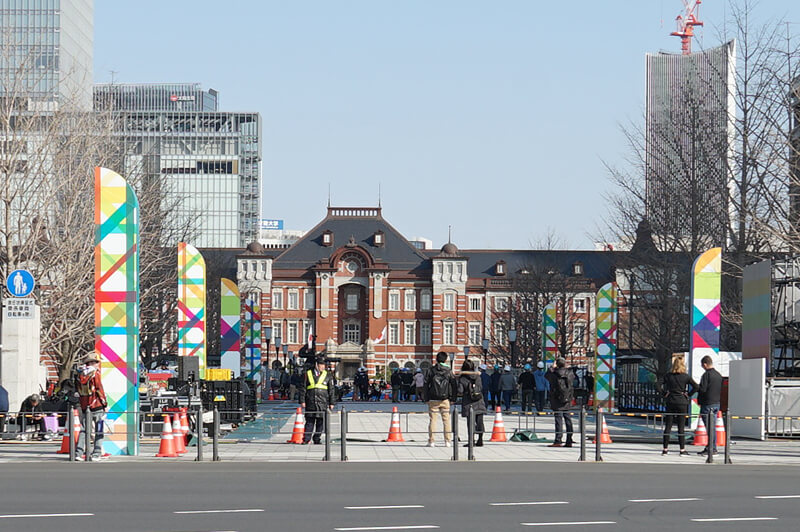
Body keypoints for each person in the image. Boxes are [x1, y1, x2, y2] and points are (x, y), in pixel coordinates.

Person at [659, 353, 697, 456]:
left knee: (668, 426)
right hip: (681, 402)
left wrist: (664, 393)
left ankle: (665, 449)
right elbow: (696, 386)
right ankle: (682, 449)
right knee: (681, 427)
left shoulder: (668, 376)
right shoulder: (685, 377)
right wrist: (688, 394)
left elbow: (658, 385)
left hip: (670, 400)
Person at [75, 354, 108, 459]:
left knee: (84, 430)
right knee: (99, 430)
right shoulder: (95, 373)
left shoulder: (80, 374)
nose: (98, 364)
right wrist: (104, 404)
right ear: (92, 363)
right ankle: (96, 453)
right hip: (97, 405)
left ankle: (78, 453)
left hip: (85, 405)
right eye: (97, 362)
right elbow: (99, 389)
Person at [298, 356, 335, 444]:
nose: (323, 367)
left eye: (324, 365)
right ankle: (306, 439)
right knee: (309, 421)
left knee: (320, 422)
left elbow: (331, 390)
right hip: (310, 401)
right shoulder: (308, 374)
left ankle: (317, 438)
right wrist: (302, 401)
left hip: (322, 402)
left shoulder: (328, 375)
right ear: (316, 365)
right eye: (321, 365)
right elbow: (302, 388)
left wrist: (332, 402)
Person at [425, 352, 456, 447]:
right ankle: (447, 441)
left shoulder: (431, 370)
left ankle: (431, 441)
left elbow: (426, 384)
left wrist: (426, 398)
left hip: (433, 398)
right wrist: (453, 398)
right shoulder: (449, 371)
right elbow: (454, 385)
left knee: (433, 420)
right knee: (446, 420)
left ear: (436, 359)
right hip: (445, 398)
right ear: (446, 359)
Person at [697, 355, 723, 456]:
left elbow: (702, 389)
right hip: (716, 403)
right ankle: (711, 447)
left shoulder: (706, 375)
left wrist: (698, 394)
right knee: (712, 427)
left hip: (707, 404)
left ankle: (712, 448)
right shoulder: (718, 375)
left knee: (709, 428)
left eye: (702, 365)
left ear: (705, 364)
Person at [545, 357, 574, 447]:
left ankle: (558, 440)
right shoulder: (570, 373)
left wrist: (552, 367)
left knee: (558, 419)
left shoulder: (553, 374)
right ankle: (569, 440)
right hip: (567, 399)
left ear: (556, 364)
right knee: (568, 419)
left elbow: (546, 376)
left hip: (556, 399)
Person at [458, 359, 487, 447]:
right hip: (479, 401)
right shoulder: (478, 377)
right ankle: (480, 439)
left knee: (470, 422)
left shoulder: (462, 378)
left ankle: (471, 440)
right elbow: (481, 387)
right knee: (480, 421)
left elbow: (460, 390)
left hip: (468, 402)